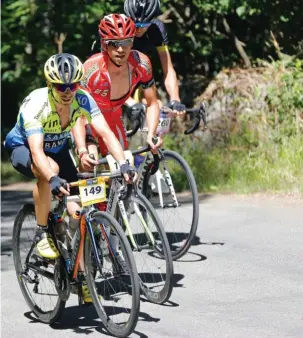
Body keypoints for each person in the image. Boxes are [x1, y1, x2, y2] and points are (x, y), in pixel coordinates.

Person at [5, 53, 135, 302]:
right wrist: (52, 179)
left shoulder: (82, 99)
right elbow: (36, 151)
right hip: (24, 148)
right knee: (49, 170)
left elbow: (106, 133)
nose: (67, 91)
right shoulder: (37, 104)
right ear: (50, 85)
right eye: (61, 86)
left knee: (79, 212)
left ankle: (82, 277)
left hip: (57, 150)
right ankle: (43, 232)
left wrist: (124, 164)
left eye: (73, 85)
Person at [74, 13, 162, 169]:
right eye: (114, 44)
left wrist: (151, 134)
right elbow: (77, 114)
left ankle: (116, 192)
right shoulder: (90, 70)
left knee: (123, 166)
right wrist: (82, 150)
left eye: (127, 42)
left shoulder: (142, 64)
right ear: (104, 44)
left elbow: (152, 102)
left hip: (113, 115)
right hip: (87, 117)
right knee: (90, 163)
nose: (121, 49)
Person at [124, 0, 186, 115]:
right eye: (135, 25)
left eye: (144, 25)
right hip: (113, 77)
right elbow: (110, 75)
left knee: (157, 106)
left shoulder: (156, 29)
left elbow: (168, 69)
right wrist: (130, 102)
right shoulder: (120, 28)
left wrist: (175, 99)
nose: (138, 30)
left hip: (139, 72)